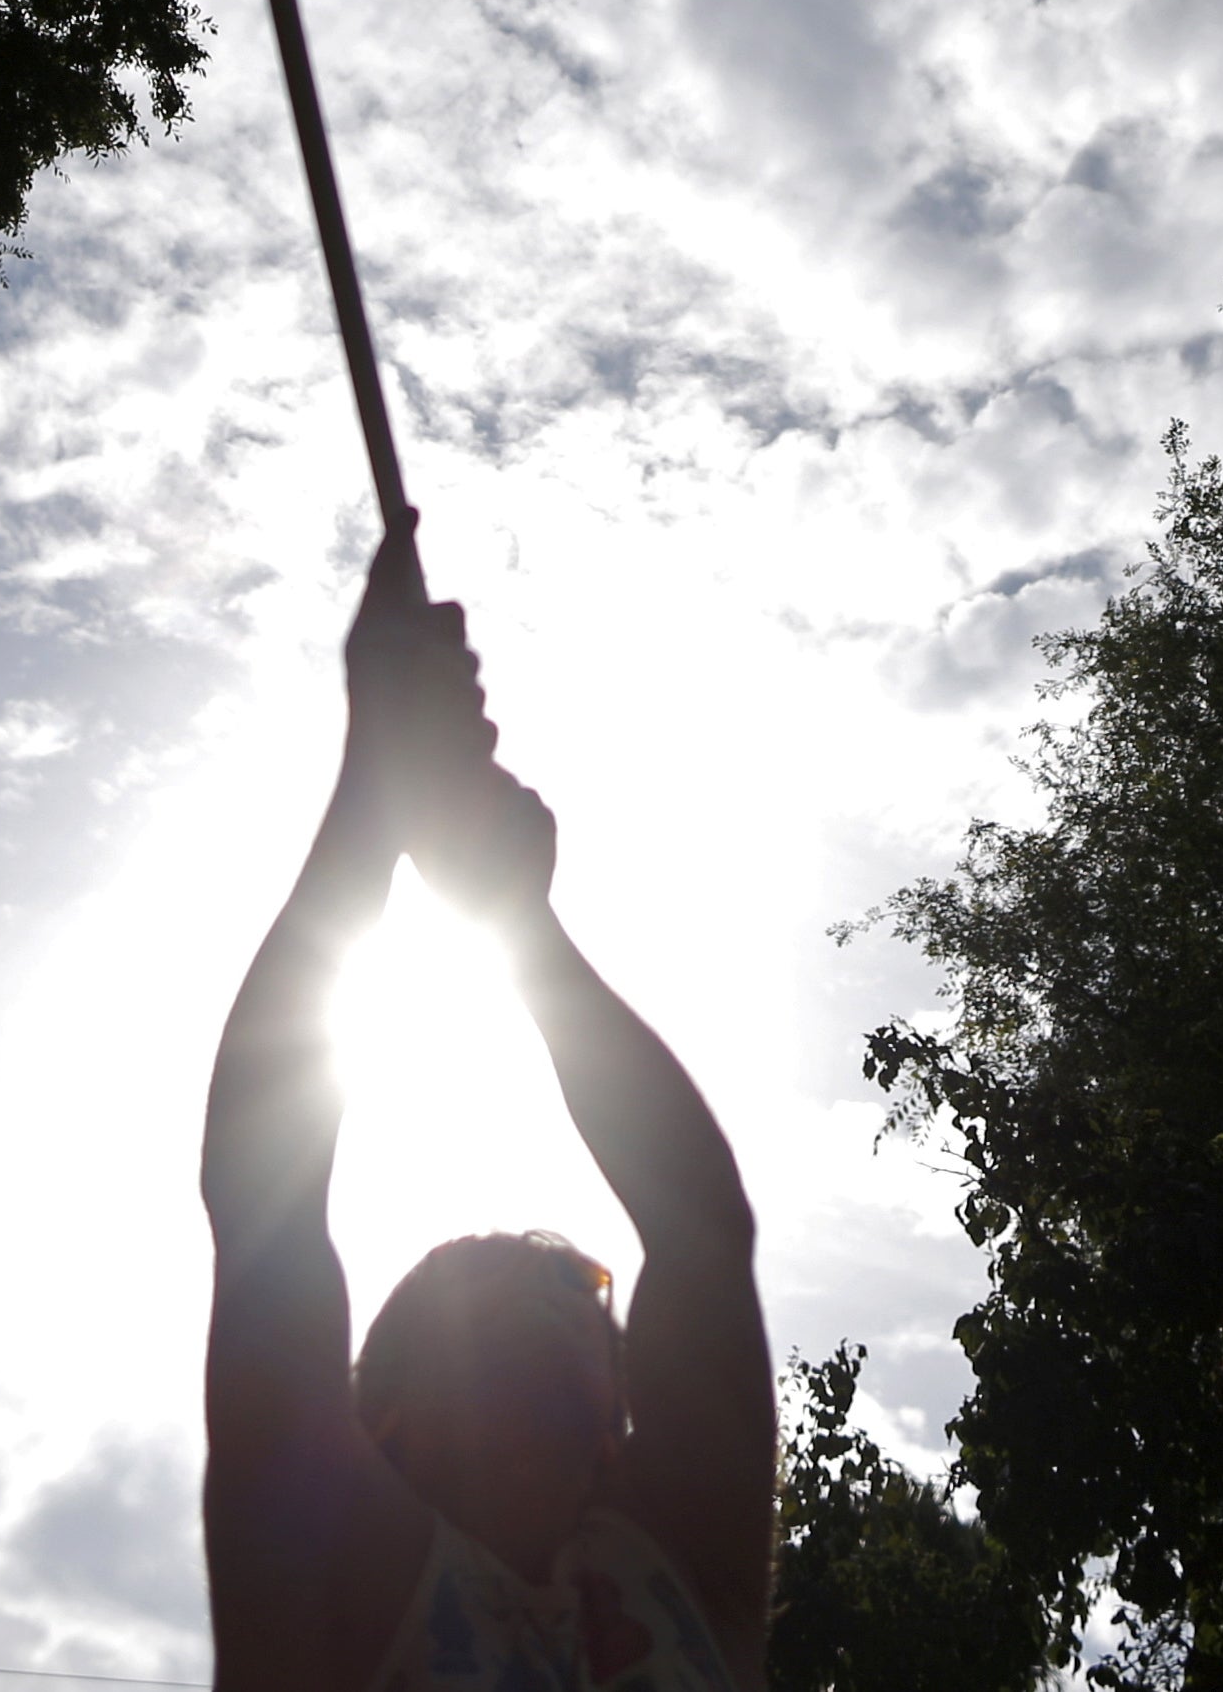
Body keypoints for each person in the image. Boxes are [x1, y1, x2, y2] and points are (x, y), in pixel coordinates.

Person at [202, 545, 775, 1692]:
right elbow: (264, 1208)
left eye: (574, 1293)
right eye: (489, 1296)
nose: (549, 1297)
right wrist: (371, 787)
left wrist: (522, 925)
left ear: (612, 1416)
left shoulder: (678, 1573)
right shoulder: (338, 1578)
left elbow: (704, 1227)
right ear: (389, 1416)